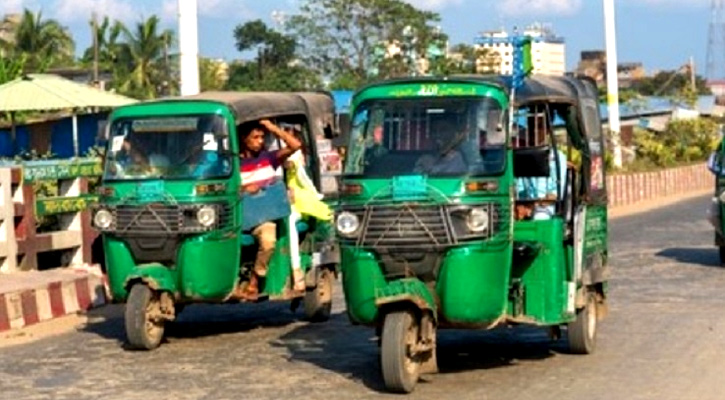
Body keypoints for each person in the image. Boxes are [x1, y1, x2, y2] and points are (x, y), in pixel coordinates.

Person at [239, 119, 302, 300]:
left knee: (268, 241)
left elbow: (295, 145)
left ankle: (255, 280)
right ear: (244, 139)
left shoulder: (269, 158)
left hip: (262, 216)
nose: (260, 141)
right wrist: (244, 188)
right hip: (239, 216)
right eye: (255, 137)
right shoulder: (234, 163)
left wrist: (272, 128)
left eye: (262, 137)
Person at [281, 124, 332, 292]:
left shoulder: (294, 157)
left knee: (290, 221)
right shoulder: (274, 154)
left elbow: (303, 179)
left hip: (299, 200)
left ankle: (297, 270)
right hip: (278, 199)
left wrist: (315, 194)